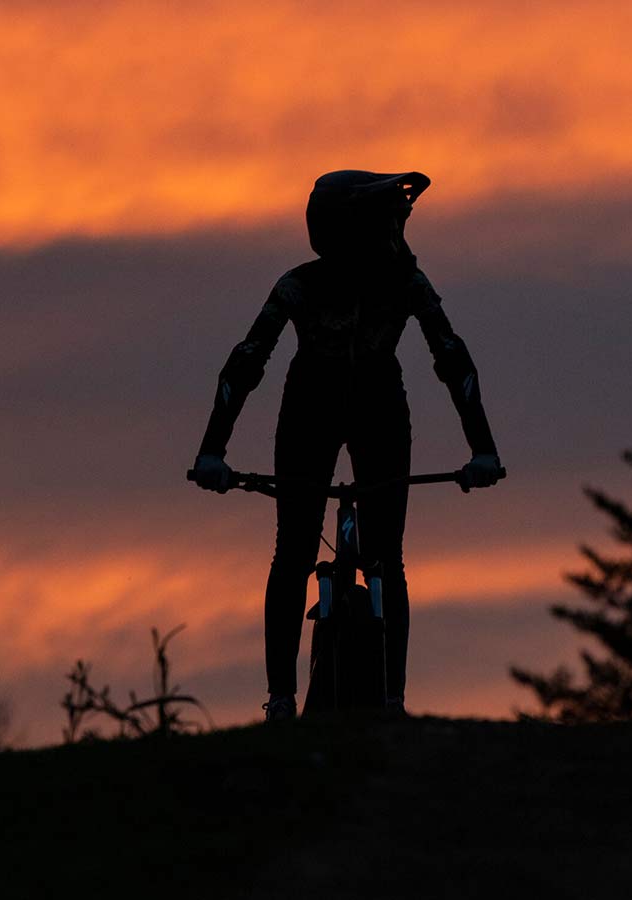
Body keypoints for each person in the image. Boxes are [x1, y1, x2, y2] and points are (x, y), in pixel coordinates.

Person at [191, 170, 502, 721]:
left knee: (384, 558)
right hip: (318, 413)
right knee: (295, 552)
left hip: (369, 411)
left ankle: (391, 701)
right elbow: (247, 360)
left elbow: (452, 358)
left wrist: (485, 450)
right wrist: (210, 451)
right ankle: (283, 700)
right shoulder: (303, 285)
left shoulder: (402, 283)